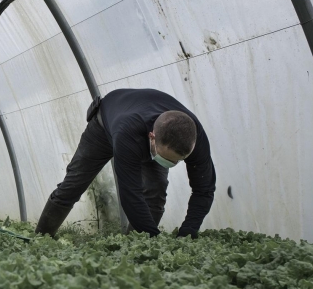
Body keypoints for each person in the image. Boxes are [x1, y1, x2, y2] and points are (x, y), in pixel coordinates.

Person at [35, 88, 215, 238]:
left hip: (147, 128)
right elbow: (131, 194)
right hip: (105, 126)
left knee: (155, 193)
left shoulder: (195, 138)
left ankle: (135, 248)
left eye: (176, 161)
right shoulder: (128, 132)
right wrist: (154, 237)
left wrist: (188, 233)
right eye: (166, 158)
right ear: (152, 138)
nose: (170, 164)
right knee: (74, 183)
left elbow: (204, 190)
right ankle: (41, 238)